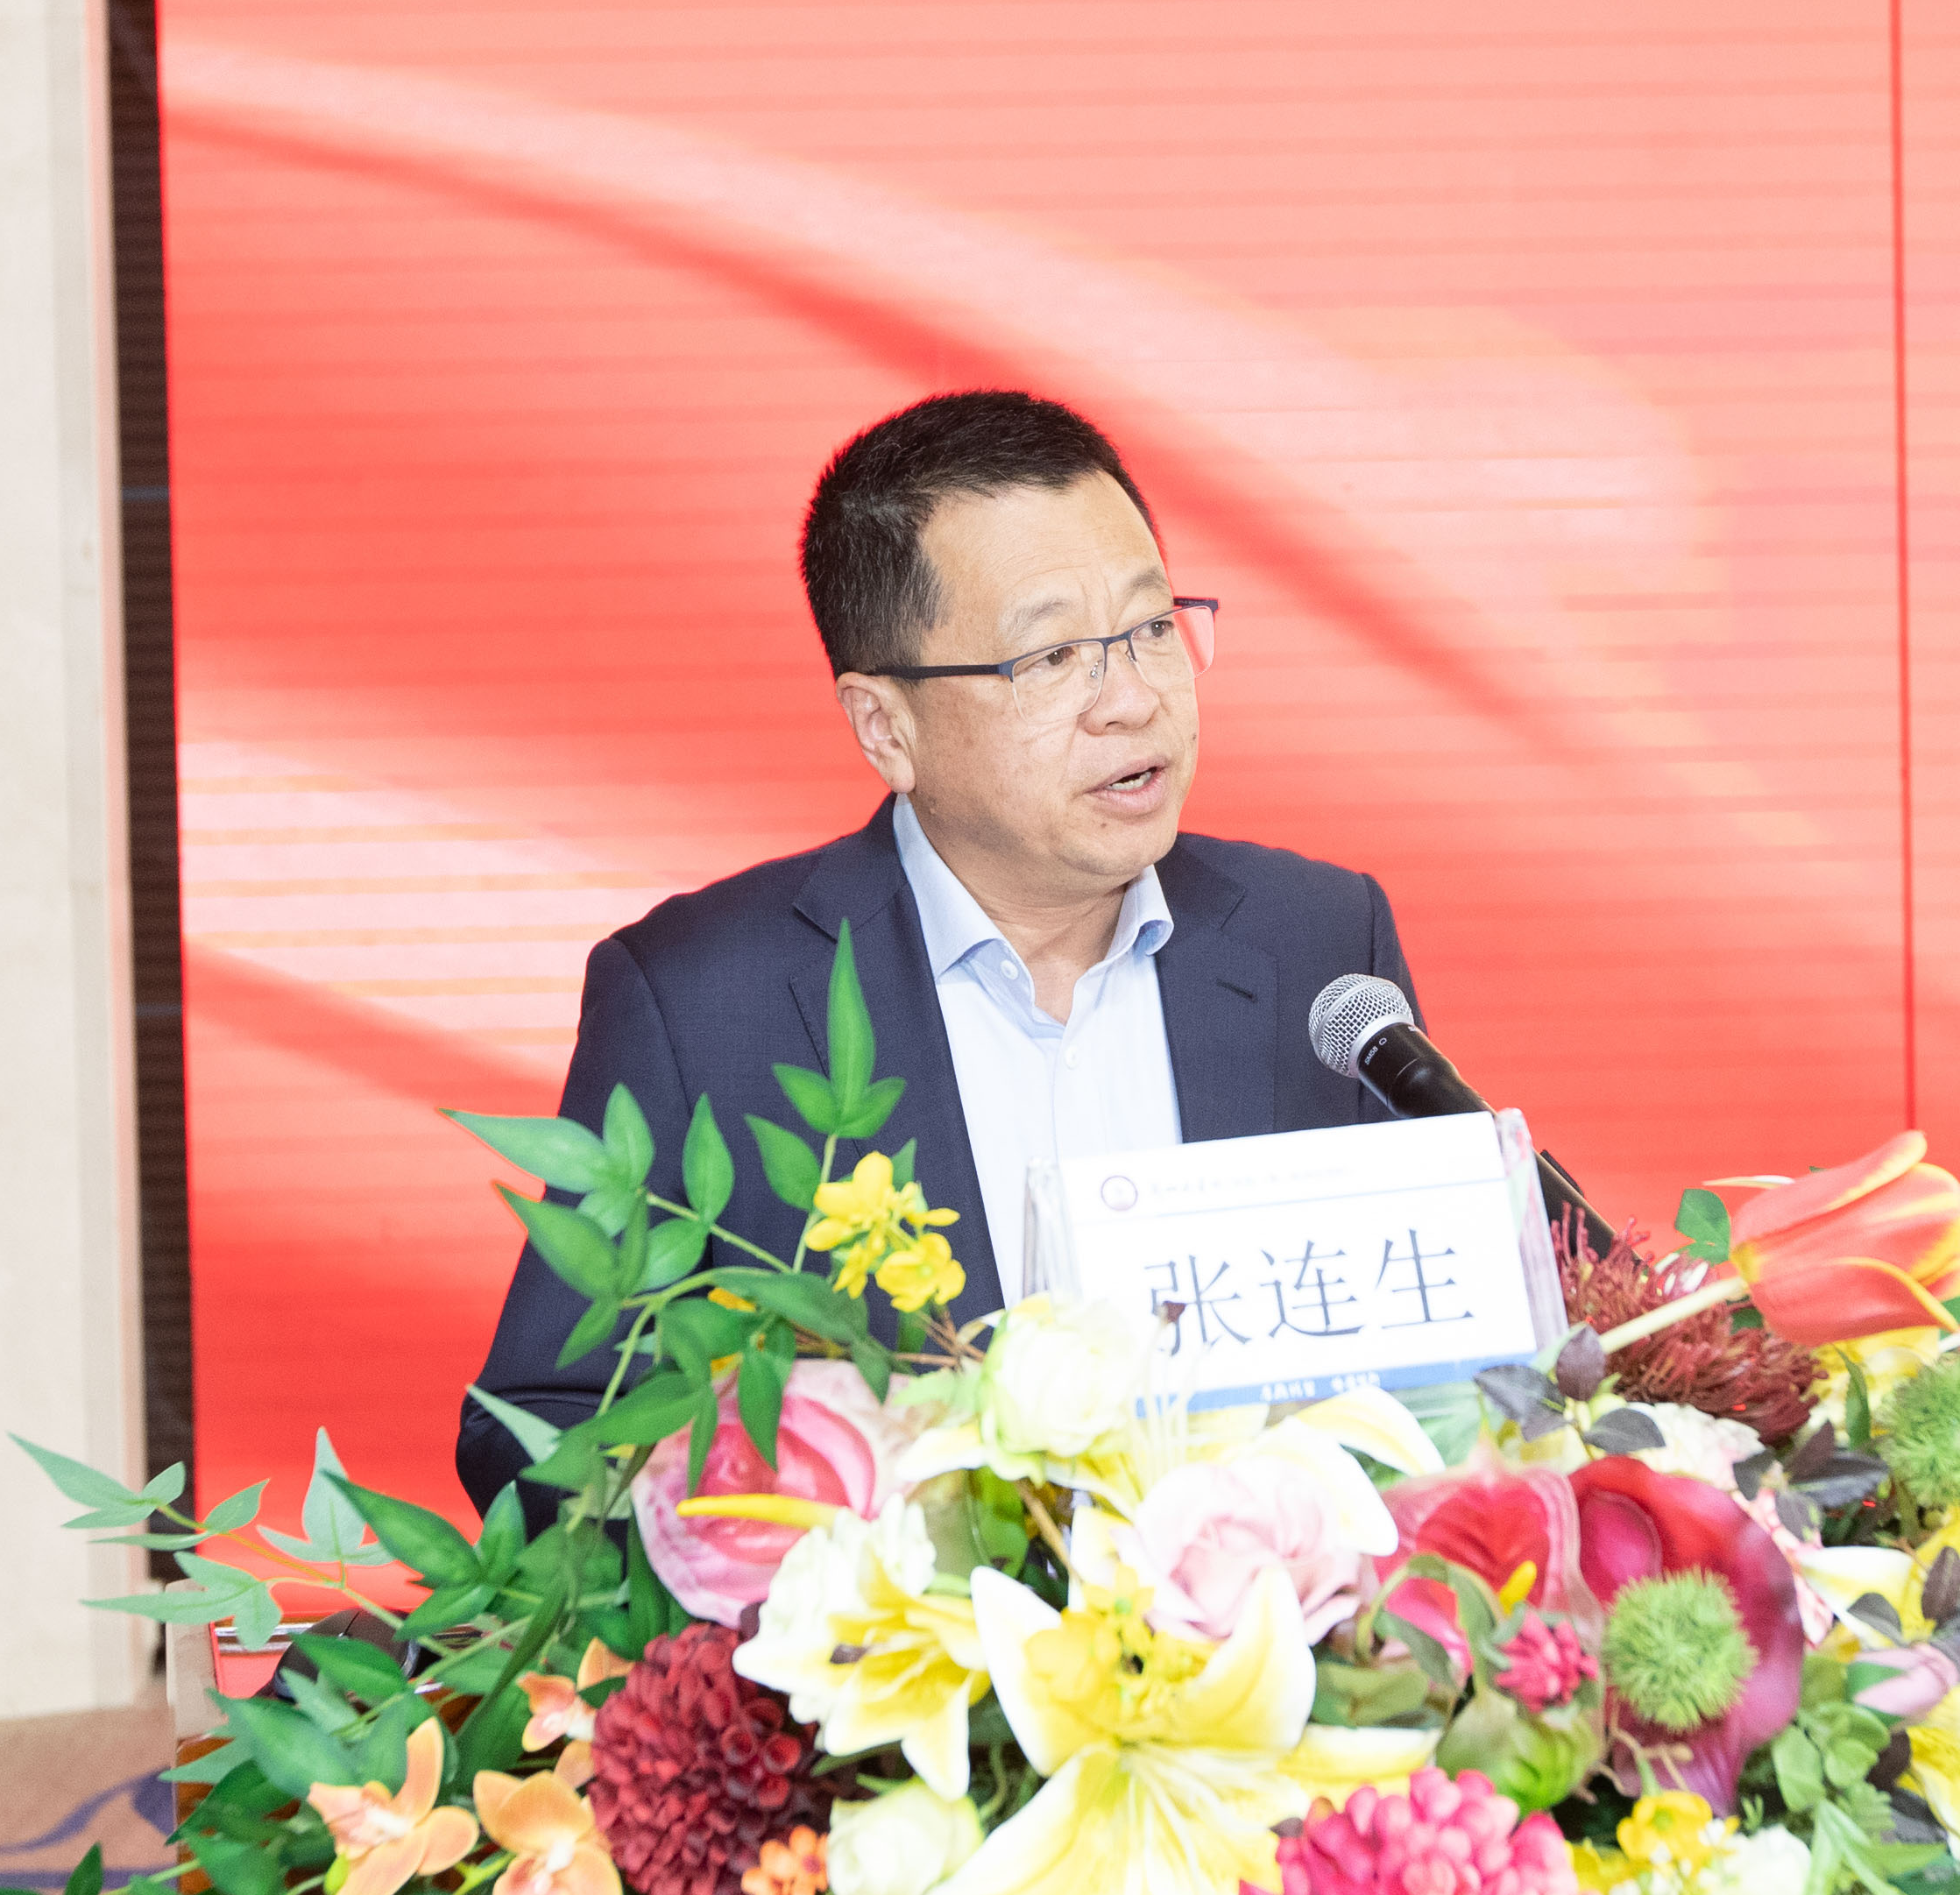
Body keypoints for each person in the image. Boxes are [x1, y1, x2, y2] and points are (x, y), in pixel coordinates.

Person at [453, 390, 1419, 1509]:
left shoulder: (1318, 942)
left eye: (1153, 627)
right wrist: (818, 1561)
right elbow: (544, 1431)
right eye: (1052, 656)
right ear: (886, 728)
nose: (1132, 698)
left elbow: (1446, 1357)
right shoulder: (702, 1003)